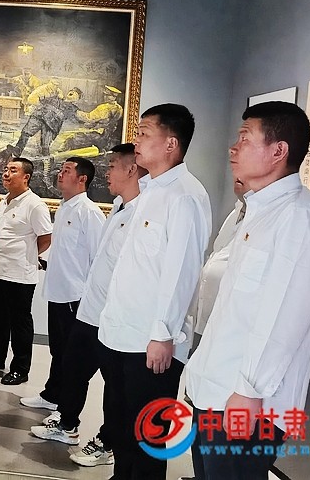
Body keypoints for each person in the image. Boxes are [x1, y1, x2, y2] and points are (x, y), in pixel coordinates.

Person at [185, 101, 310, 478]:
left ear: (278, 151)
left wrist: (250, 390)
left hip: (248, 401)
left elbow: (286, 315)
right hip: (217, 388)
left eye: (244, 138)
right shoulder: (259, 211)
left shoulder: (301, 216)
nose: (233, 149)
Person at [98, 103, 210, 479]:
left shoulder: (185, 196)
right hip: (121, 333)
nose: (136, 141)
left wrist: (162, 334)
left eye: (144, 133)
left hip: (151, 343)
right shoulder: (149, 191)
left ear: (171, 144)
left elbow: (181, 273)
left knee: (149, 437)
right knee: (121, 427)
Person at [29, 144, 147, 467]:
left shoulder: (135, 212)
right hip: (89, 308)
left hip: (105, 310)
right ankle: (67, 423)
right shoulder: (119, 207)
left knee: (114, 384)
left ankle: (108, 442)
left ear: (131, 169)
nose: (107, 172)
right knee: (73, 365)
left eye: (113, 166)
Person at [21, 157, 105, 413]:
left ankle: (65, 407)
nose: (60, 174)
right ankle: (52, 394)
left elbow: (98, 257)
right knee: (58, 349)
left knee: (71, 354)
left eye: (67, 170)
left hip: (74, 295)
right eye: (61, 169)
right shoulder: (64, 206)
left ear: (82, 179)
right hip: (57, 291)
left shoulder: (88, 212)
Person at [0, 157, 53, 385]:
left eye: (13, 170)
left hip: (20, 274)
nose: (6, 174)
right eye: (6, 169)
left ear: (26, 177)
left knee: (20, 322)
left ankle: (20, 368)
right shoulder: (4, 200)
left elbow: (46, 238)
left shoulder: (35, 204)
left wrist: (28, 255)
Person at [189, 178, 247, 349]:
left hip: (231, 333)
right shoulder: (235, 213)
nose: (237, 177)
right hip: (204, 322)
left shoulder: (269, 221)